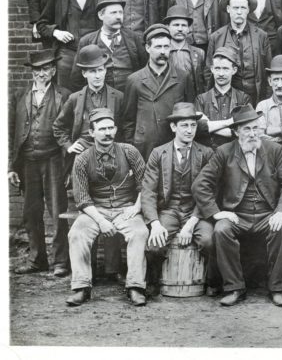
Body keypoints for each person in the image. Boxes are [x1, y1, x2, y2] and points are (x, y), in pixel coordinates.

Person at [193, 104, 282, 307]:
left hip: (268, 213)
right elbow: (200, 185)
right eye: (246, 129)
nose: (252, 133)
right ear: (236, 132)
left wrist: (281, 212)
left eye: (255, 128)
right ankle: (234, 287)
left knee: (281, 229)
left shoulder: (274, 150)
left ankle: (277, 288)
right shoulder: (224, 152)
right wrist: (216, 213)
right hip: (237, 214)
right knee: (221, 230)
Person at [67, 108, 149, 306]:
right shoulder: (83, 159)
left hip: (126, 208)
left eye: (111, 128)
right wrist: (101, 220)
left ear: (116, 129)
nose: (107, 133)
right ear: (91, 133)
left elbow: (146, 184)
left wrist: (137, 207)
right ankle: (81, 287)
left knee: (139, 232)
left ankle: (135, 287)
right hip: (96, 210)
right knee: (76, 233)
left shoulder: (130, 152)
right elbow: (82, 198)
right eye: (102, 129)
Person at [8, 50, 70, 277]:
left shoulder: (64, 95)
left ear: (53, 71)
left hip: (53, 159)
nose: (42, 74)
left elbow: (68, 131)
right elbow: (11, 132)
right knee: (31, 213)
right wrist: (11, 167)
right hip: (28, 162)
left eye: (46, 69)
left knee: (57, 212)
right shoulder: (20, 95)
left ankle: (61, 261)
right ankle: (37, 259)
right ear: (32, 72)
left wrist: (68, 166)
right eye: (37, 70)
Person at [142, 103, 215, 293]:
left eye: (193, 125)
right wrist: (155, 223)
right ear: (174, 127)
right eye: (184, 125)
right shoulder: (159, 153)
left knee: (209, 241)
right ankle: (152, 282)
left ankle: (213, 282)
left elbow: (210, 192)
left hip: (197, 211)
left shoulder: (206, 153)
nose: (190, 130)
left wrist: (191, 224)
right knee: (154, 246)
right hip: (169, 210)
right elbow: (148, 191)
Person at [121, 24, 195, 160]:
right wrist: (131, 151)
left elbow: (190, 114)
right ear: (148, 48)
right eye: (158, 47)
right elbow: (128, 122)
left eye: (166, 47)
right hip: (144, 148)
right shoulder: (134, 80)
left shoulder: (182, 77)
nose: (163, 52)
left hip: (173, 144)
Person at [54, 45, 124, 178]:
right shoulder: (75, 98)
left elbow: (126, 128)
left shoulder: (119, 97)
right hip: (83, 154)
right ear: (84, 73)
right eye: (92, 71)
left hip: (112, 153)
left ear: (105, 71)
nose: (97, 76)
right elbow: (58, 127)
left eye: (100, 70)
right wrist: (69, 146)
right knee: (82, 193)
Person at [36, 0, 102, 90]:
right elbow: (41, 25)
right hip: (66, 55)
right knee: (66, 96)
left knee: (93, 94)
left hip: (93, 55)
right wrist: (56, 32)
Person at [206, 0, 272, 106]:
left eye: (243, 8)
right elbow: (208, 71)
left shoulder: (261, 36)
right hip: (226, 99)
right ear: (228, 9)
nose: (239, 12)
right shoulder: (216, 37)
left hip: (255, 96)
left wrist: (266, 98)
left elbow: (268, 70)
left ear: (248, 10)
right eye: (236, 8)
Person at [71, 0, 148, 92]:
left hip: (129, 95)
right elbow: (76, 78)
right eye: (113, 13)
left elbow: (144, 69)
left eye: (120, 12)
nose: (118, 17)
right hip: (100, 98)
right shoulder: (87, 41)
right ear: (100, 15)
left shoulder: (133, 38)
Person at [194, 46, 251, 150]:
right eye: (217, 68)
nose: (221, 74)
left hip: (235, 155)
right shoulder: (201, 99)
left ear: (234, 70)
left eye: (225, 69)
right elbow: (196, 129)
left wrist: (208, 126)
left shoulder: (243, 98)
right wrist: (229, 122)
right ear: (212, 69)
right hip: (209, 155)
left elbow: (244, 131)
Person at [164, 5, 206, 97]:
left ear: (188, 29)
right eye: (176, 25)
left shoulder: (199, 53)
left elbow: (202, 82)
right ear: (167, 27)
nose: (180, 29)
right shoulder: (162, 52)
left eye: (183, 25)